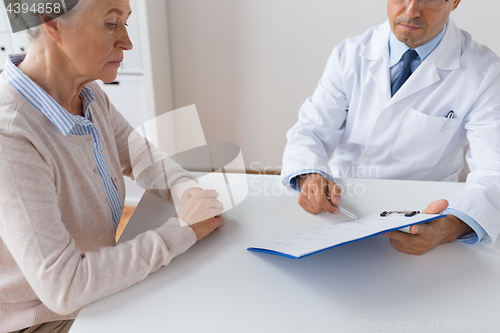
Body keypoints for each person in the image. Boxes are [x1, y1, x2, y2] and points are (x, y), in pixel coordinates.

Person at [0, 0, 225, 332]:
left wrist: (187, 191)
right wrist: (180, 230)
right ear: (51, 23)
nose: (127, 42)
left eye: (126, 23)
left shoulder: (87, 95)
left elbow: (141, 157)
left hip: (96, 293)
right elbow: (64, 288)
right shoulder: (11, 134)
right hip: (45, 319)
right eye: (110, 24)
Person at [282, 0, 500, 255]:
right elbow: (311, 130)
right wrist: (310, 176)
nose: (411, 11)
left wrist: (450, 226)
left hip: (425, 217)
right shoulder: (350, 54)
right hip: (340, 207)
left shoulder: (484, 72)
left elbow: (494, 170)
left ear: (454, 2)